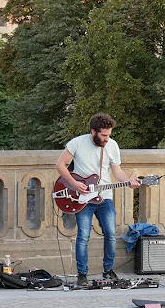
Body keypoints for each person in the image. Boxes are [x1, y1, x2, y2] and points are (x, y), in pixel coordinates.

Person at [56, 113, 139, 286]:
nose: (107, 138)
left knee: (111, 234)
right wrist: (74, 183)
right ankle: (82, 274)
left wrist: (128, 181)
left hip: (104, 196)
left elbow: (116, 171)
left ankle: (108, 270)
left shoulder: (112, 145)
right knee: (83, 236)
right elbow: (60, 164)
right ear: (93, 131)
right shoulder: (77, 143)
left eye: (108, 135)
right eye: (103, 135)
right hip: (82, 198)